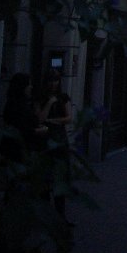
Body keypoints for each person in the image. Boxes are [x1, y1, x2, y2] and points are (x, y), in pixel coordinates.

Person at [38, 70, 74, 224]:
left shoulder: (63, 97)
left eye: (56, 81)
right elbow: (40, 118)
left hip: (59, 139)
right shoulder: (41, 98)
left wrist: (55, 120)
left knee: (60, 177)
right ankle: (46, 215)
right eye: (51, 81)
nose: (54, 84)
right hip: (45, 140)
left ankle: (60, 216)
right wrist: (50, 103)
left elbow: (69, 117)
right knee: (46, 178)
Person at [1, 72, 48, 161]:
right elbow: (23, 129)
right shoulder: (20, 106)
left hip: (12, 148)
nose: (31, 87)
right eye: (29, 84)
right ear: (22, 87)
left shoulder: (13, 103)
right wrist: (40, 130)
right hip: (19, 149)